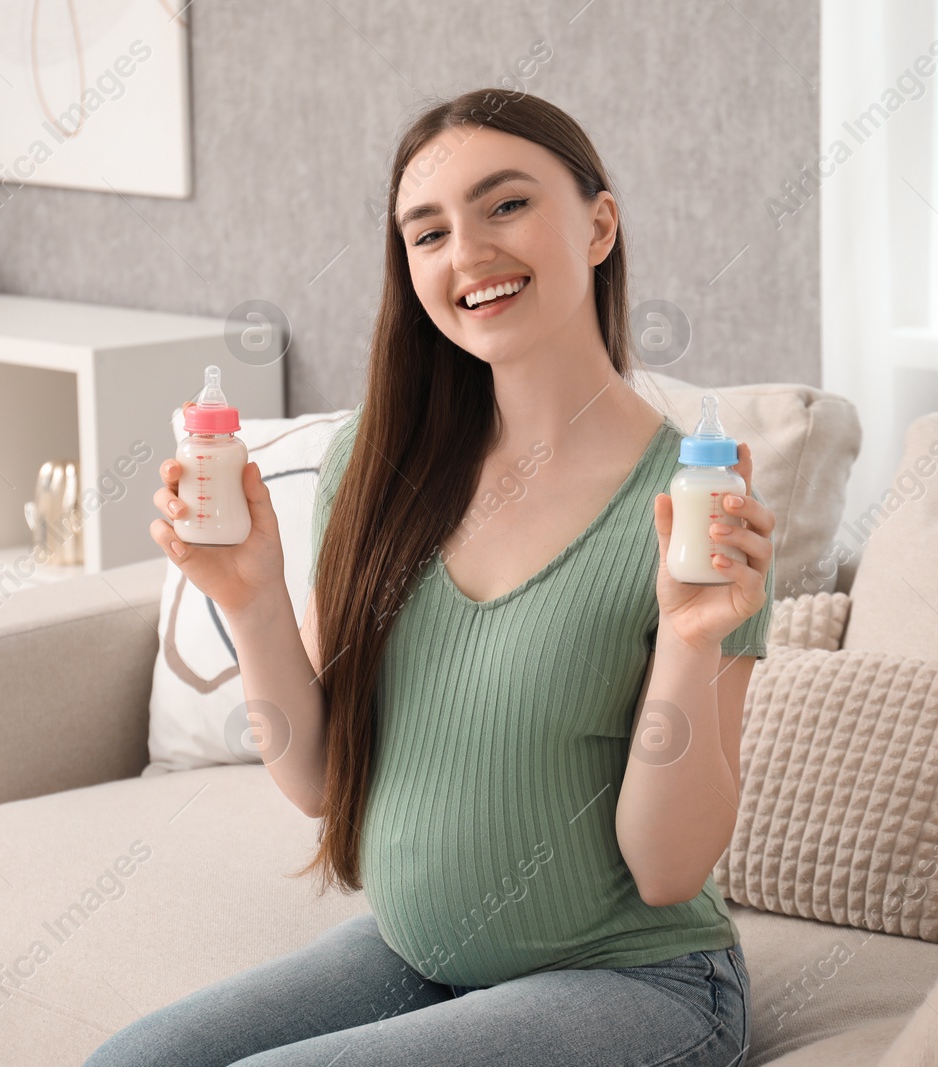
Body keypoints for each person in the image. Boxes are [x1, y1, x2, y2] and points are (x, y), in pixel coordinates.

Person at [92, 86, 774, 1067]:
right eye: (427, 232)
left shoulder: (698, 510)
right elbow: (323, 780)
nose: (466, 254)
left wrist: (691, 636)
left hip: (641, 981)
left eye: (505, 205)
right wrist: (246, 594)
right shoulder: (375, 463)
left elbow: (667, 870)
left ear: (599, 223)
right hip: (422, 957)